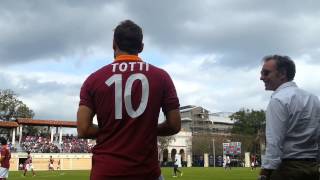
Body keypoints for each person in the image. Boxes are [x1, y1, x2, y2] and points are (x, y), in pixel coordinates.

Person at [77, 20, 181, 180]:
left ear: (114, 44)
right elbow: (174, 125)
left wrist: (113, 130)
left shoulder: (93, 79)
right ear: (141, 47)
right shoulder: (161, 77)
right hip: (146, 172)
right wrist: (144, 129)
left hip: (106, 172)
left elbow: (83, 129)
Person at [258, 55, 320, 180]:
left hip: (287, 169)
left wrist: (265, 173)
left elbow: (274, 142)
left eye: (266, 73)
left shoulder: (278, 100)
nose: (261, 77)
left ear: (282, 74)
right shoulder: (313, 99)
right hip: (312, 168)